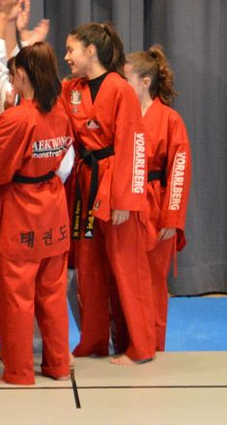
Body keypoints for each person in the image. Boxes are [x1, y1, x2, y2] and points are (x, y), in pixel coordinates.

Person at [61, 22, 156, 365]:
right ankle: (94, 339)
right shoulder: (71, 89)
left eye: (71, 50)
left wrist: (125, 200)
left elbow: (133, 145)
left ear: (90, 51)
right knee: (89, 269)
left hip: (115, 184)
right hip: (86, 183)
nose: (66, 57)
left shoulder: (120, 89)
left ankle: (140, 347)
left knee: (127, 268)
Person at [0, 42, 74, 385]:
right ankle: (58, 365)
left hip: (22, 211)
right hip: (53, 208)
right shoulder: (61, 112)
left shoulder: (16, 119)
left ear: (22, 75)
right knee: (52, 295)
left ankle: (19, 371)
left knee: (17, 297)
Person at [124, 45, 191, 351]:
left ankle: (152, 347)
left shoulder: (169, 119)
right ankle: (129, 343)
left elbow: (179, 170)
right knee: (126, 281)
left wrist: (171, 218)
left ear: (145, 82)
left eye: (127, 79)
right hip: (126, 206)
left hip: (156, 206)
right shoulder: (123, 117)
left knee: (152, 283)